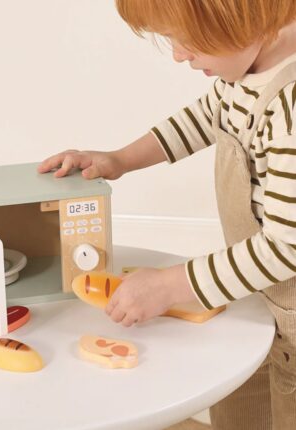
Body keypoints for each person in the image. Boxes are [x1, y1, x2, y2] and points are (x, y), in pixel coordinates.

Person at [38, 1, 296, 428]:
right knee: (242, 399)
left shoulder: (289, 112)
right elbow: (204, 118)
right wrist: (120, 159)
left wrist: (170, 285)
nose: (178, 55)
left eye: (186, 39)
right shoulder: (246, 70)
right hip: (258, 293)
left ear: (238, 18)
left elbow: (286, 248)